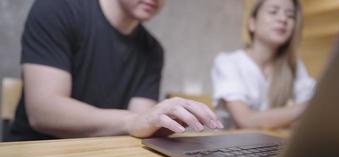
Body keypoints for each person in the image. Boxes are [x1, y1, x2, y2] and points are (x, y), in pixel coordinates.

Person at [5, 0, 223, 141]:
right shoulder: (57, 9)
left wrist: (160, 122)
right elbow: (44, 111)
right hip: (36, 154)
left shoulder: (152, 50)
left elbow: (142, 124)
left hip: (105, 156)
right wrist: (134, 121)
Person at [212, 0, 315, 129]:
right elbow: (245, 121)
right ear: (252, 23)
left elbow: (309, 121)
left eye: (290, 15)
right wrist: (308, 106)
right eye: (273, 11)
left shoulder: (295, 65)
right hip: (231, 147)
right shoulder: (228, 62)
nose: (283, 19)